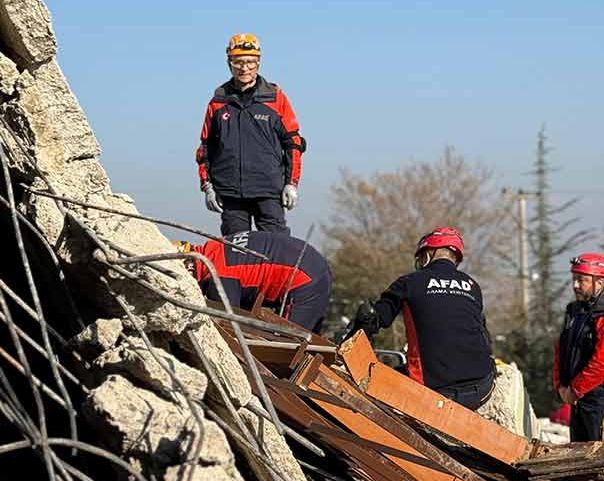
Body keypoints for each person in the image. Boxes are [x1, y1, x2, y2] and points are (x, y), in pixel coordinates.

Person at [349, 227, 495, 410]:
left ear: (429, 253)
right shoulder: (473, 286)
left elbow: (372, 317)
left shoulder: (409, 283)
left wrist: (351, 338)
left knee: (378, 387)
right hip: (482, 387)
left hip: (436, 390)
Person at [195, 33, 307, 235]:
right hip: (230, 194)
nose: (244, 68)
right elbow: (205, 148)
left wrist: (291, 184)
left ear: (258, 63)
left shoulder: (275, 98)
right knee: (236, 254)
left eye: (250, 62)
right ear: (229, 63)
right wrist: (207, 186)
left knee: (276, 250)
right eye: (238, 62)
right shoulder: (218, 102)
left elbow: (293, 143)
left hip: (269, 191)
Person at [179, 230, 330, 333]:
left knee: (289, 350)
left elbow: (229, 328)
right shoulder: (217, 246)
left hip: (304, 280)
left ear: (189, 266)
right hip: (312, 262)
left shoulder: (219, 276)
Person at [553, 252, 604, 441]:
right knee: (578, 466)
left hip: (603, 406)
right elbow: (560, 350)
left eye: (582, 280)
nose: (575, 285)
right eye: (574, 279)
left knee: (603, 466)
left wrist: (574, 390)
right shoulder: (574, 312)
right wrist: (560, 387)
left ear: (600, 281)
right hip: (579, 403)